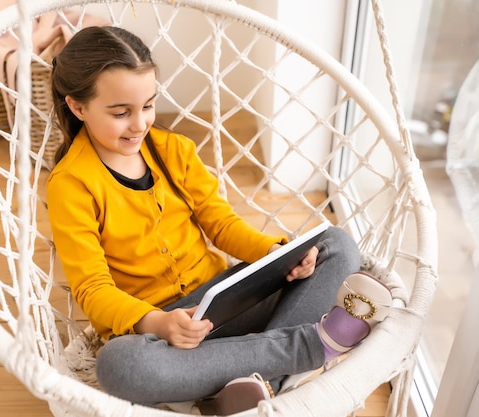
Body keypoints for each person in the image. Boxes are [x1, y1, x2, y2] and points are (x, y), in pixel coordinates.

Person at [46, 26, 392, 414]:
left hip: (222, 301)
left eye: (147, 105)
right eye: (120, 113)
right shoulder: (71, 184)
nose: (140, 123)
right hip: (160, 335)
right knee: (120, 365)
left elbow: (222, 225)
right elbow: (92, 289)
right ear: (78, 107)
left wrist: (278, 254)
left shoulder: (173, 150)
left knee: (335, 244)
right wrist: (159, 323)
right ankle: (311, 348)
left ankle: (248, 387)